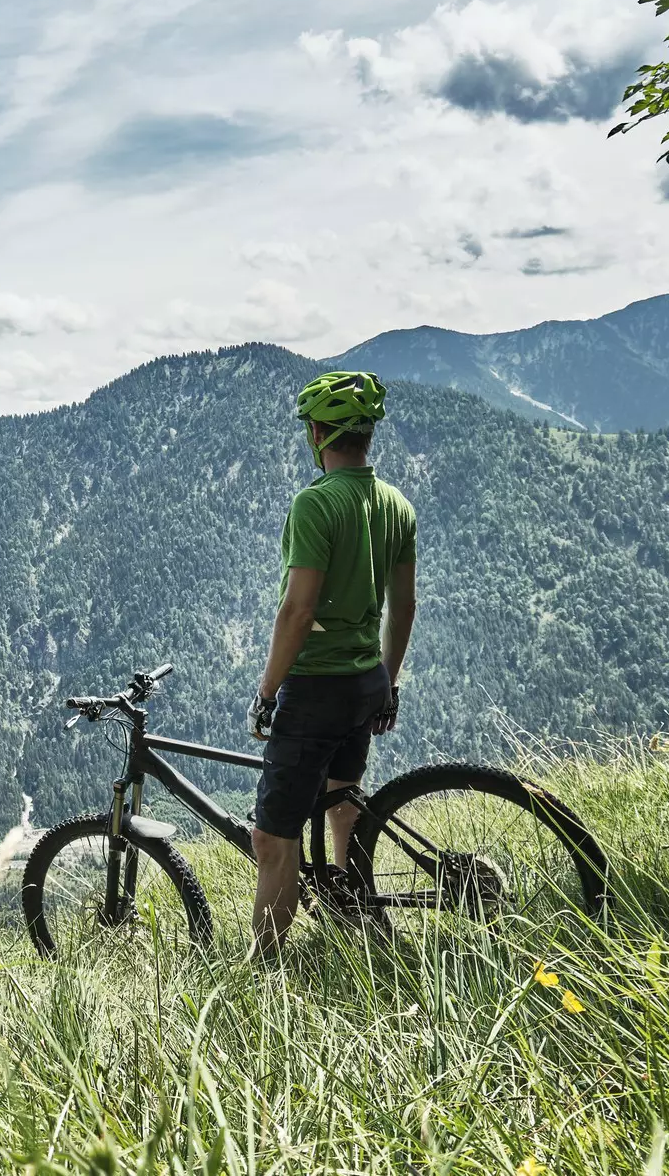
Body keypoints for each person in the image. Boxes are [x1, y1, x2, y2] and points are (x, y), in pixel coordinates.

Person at [247, 370, 417, 959]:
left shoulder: (315, 505)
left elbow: (297, 612)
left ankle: (262, 976)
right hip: (366, 682)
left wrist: (268, 692)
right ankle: (356, 916)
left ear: (319, 433)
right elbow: (405, 607)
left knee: (272, 838)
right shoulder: (396, 504)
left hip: (316, 688)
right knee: (342, 798)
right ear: (366, 434)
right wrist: (388, 683)